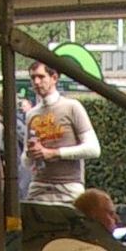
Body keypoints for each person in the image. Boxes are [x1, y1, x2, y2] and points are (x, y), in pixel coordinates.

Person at [25, 59, 98, 204]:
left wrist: (54, 153)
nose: (36, 82)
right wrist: (30, 154)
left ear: (54, 78)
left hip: (69, 188)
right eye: (33, 78)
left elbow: (93, 149)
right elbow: (25, 160)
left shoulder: (72, 107)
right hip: (38, 189)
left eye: (41, 77)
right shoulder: (31, 114)